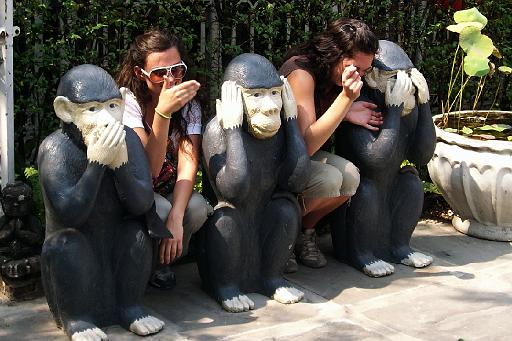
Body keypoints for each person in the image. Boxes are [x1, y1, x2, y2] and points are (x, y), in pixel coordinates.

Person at [279, 18, 380, 271]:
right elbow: (304, 149)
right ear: (336, 53)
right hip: (278, 160)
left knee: (351, 178)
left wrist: (345, 110)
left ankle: (304, 232)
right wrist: (346, 100)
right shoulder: (302, 73)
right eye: (355, 68)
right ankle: (280, 235)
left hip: (298, 157)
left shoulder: (334, 74)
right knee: (330, 179)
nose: (360, 77)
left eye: (365, 72)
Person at [117, 29, 211, 288]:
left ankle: (161, 264)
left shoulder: (189, 104)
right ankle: (139, 268)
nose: (170, 80)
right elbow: (149, 171)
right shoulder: (129, 101)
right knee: (160, 209)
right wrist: (163, 113)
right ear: (140, 74)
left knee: (196, 208)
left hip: (167, 190)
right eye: (159, 73)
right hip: (136, 193)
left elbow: (187, 165)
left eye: (177, 70)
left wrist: (177, 217)